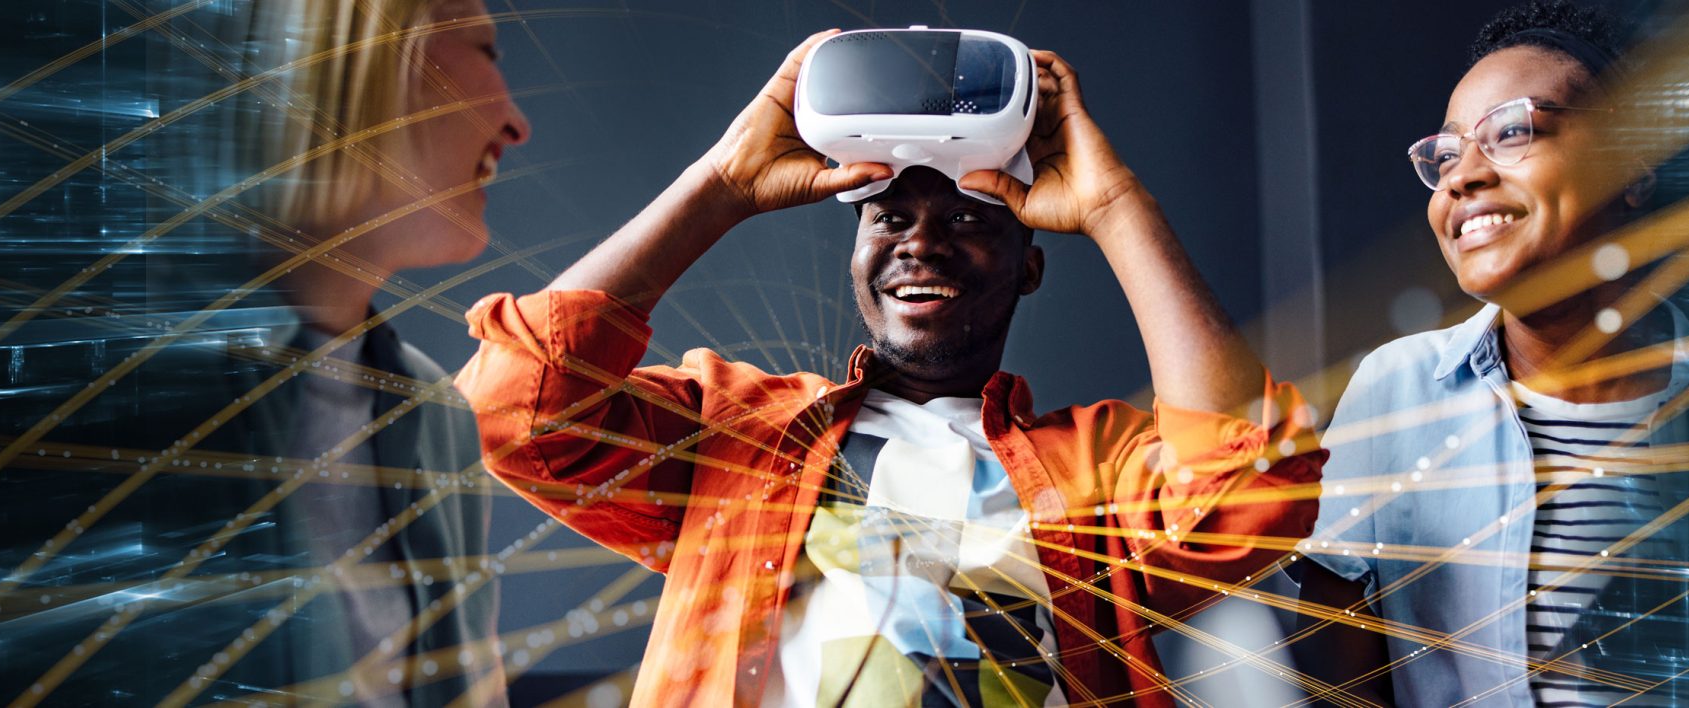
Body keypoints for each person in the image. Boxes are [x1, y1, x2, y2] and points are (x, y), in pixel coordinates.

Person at [455, 30, 1322, 706]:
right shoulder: (735, 432)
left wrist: (1113, 206)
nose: (921, 242)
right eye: (888, 216)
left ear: (1029, 261)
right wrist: (721, 183)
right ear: (856, 247)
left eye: (968, 218)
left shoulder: (1098, 463)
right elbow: (514, 411)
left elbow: (1253, 491)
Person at [92, 0, 529, 704]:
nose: (517, 122)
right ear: (366, 62)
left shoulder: (436, 415)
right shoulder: (133, 393)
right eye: (486, 50)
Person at [1293, 2, 1689, 706]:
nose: (1462, 176)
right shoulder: (1398, 390)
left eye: (1512, 131)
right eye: (1448, 154)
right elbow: (1337, 677)